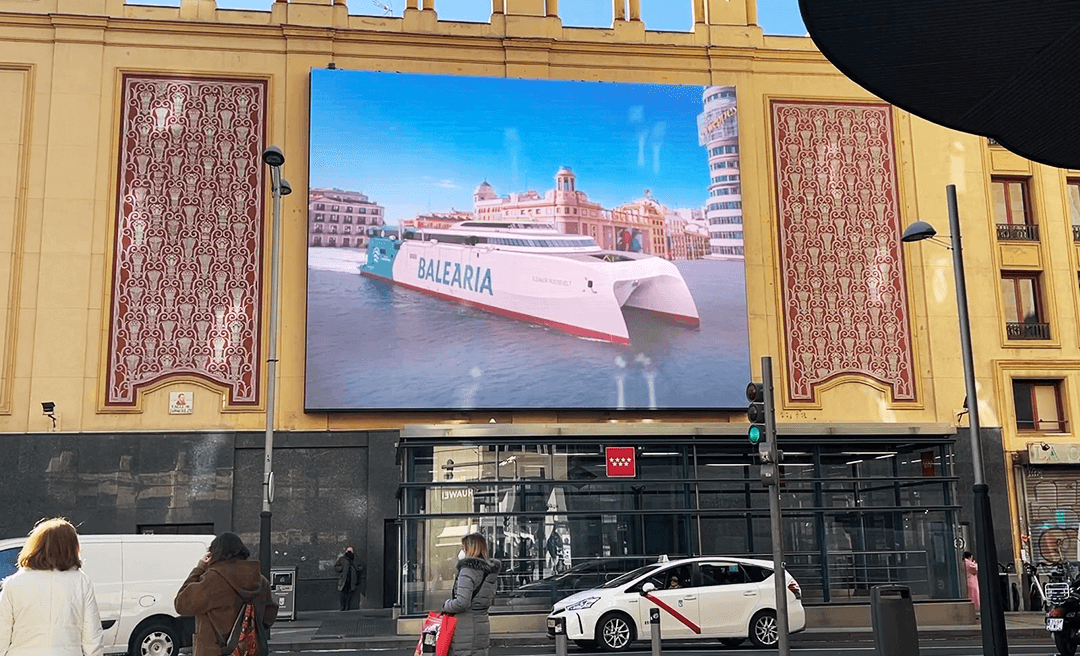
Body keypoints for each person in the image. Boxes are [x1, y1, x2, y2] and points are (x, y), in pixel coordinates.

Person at [0, 518, 104, 656]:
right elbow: (92, 635)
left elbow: (2, 632)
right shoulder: (81, 582)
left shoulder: (13, 583)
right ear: (73, 547)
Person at [174, 532, 278, 656]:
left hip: (215, 650)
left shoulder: (212, 580)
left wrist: (200, 568)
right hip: (250, 651)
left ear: (214, 554)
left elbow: (181, 604)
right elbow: (269, 617)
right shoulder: (261, 581)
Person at [443, 533, 502, 656]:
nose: (461, 551)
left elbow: (462, 603)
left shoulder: (467, 571)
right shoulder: (490, 572)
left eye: (463, 548)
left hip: (465, 629)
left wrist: (447, 605)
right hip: (482, 626)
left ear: (470, 549)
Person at [335, 546, 364, 611]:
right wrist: (341, 569)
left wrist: (357, 569)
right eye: (348, 551)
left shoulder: (356, 559)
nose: (349, 553)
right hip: (344, 579)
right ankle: (343, 606)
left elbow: (361, 566)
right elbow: (336, 566)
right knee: (343, 594)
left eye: (350, 551)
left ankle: (347, 606)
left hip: (352, 579)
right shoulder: (342, 559)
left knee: (349, 593)